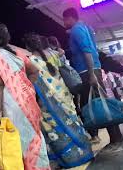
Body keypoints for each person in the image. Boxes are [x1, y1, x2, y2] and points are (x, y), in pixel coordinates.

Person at [23, 33, 93, 168]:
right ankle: (85, 151)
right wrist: (50, 49)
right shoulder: (54, 55)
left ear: (28, 47)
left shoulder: (30, 61)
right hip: (65, 96)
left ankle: (68, 159)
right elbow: (61, 52)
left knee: (56, 129)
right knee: (73, 122)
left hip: (48, 103)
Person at [0, 24, 50, 169]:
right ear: (8, 38)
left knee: (19, 141)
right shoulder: (19, 55)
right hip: (29, 102)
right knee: (35, 136)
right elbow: (34, 71)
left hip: (11, 106)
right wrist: (28, 87)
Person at [63, 7, 123, 151]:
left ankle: (116, 140)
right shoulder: (84, 27)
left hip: (87, 71)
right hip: (93, 69)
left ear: (69, 18)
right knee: (102, 103)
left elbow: (87, 52)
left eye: (64, 19)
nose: (64, 22)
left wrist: (91, 74)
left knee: (102, 104)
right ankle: (116, 137)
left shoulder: (77, 30)